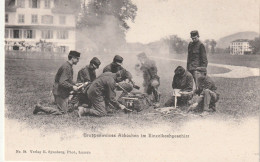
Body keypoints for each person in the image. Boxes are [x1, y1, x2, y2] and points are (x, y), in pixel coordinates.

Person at [33, 50, 81, 115]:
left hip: (62, 91)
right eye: (77, 58)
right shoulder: (66, 67)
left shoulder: (68, 66)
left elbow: (67, 80)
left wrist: (75, 84)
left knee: (67, 109)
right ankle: (40, 108)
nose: (78, 60)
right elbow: (62, 82)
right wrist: (72, 87)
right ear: (73, 58)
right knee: (63, 112)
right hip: (59, 92)